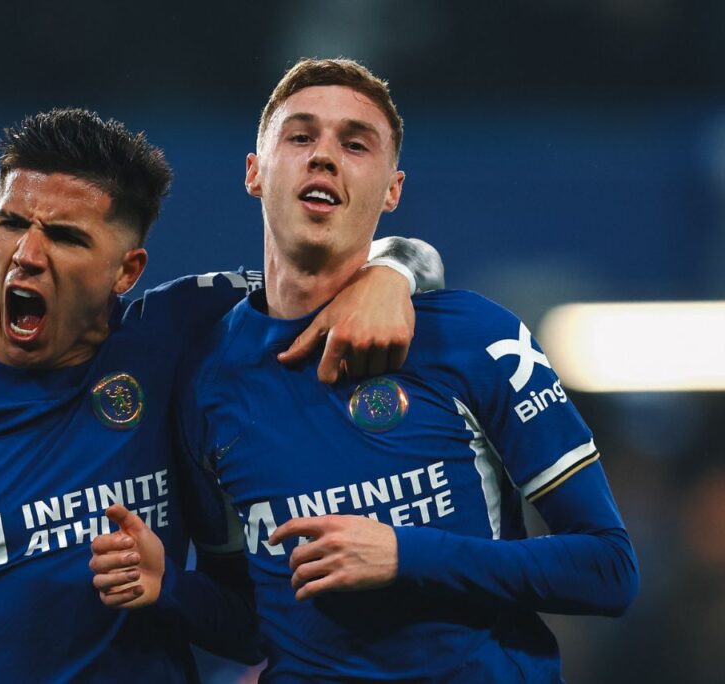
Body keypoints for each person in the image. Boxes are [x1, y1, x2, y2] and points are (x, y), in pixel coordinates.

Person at [0, 107, 443, 682]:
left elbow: (400, 258)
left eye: (64, 237)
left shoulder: (181, 333)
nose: (27, 255)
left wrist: (392, 277)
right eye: (10, 223)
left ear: (127, 270)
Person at [90, 59, 640, 682]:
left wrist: (406, 553)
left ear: (393, 189)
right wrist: (171, 587)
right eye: (301, 136)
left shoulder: (474, 336)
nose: (324, 156)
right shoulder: (206, 382)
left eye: (355, 144)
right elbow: (253, 621)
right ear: (254, 172)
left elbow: (609, 570)